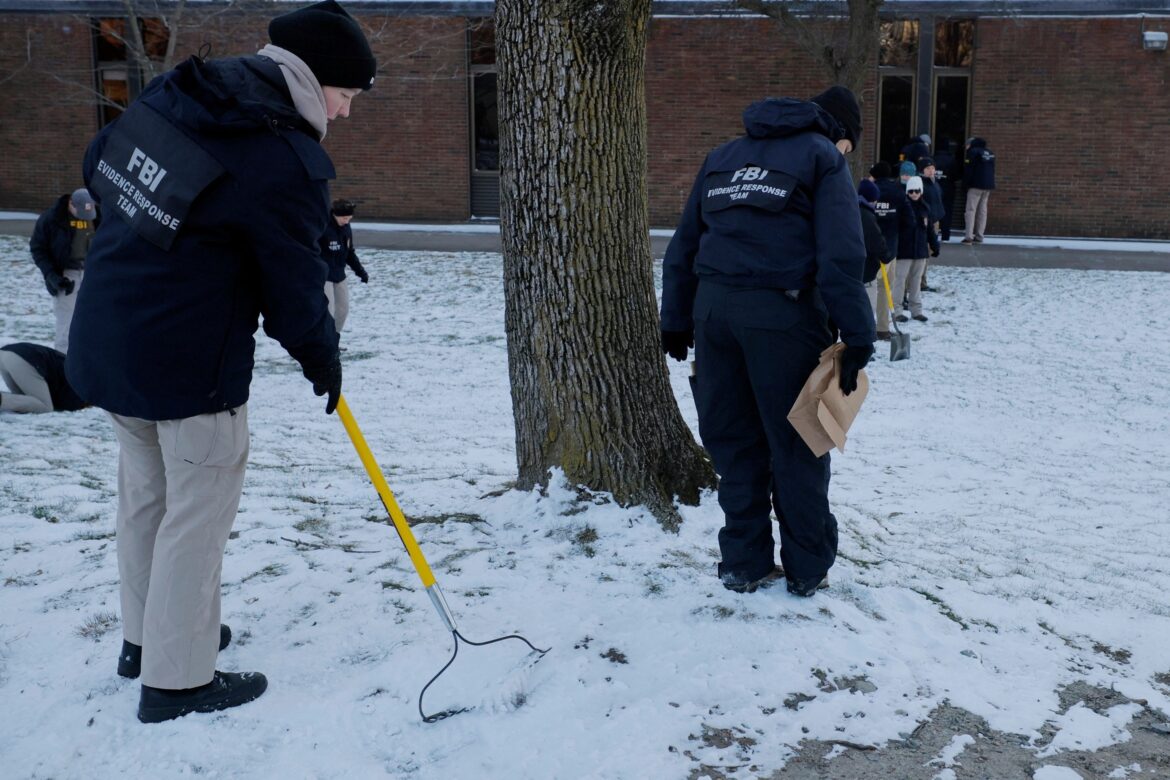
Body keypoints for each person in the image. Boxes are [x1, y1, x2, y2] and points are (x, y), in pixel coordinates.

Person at [66, 0, 375, 723]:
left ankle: (149, 641)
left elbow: (98, 164)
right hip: (188, 369)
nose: (348, 113)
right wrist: (323, 359)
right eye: (347, 96)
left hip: (109, 340)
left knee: (146, 499)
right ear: (317, 79)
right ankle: (176, 682)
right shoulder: (279, 155)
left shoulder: (185, 92)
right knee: (195, 519)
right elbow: (295, 290)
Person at [660, 86, 875, 598]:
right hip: (783, 314)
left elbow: (685, 242)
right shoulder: (823, 158)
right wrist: (859, 334)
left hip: (713, 313)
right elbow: (842, 254)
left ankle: (743, 561)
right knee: (799, 440)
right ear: (839, 133)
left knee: (733, 442)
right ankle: (805, 567)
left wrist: (676, 317)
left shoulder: (724, 156)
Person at [30, 188, 98, 353]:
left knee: (94, 321)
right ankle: (62, 364)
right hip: (67, 275)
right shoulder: (52, 219)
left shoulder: (100, 216)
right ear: (71, 204)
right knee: (66, 325)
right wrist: (51, 275)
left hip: (93, 273)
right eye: (80, 213)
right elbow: (38, 248)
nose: (85, 218)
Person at [869, 162, 907, 341]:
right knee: (885, 288)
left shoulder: (870, 190)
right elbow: (907, 219)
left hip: (871, 249)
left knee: (870, 289)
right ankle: (882, 328)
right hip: (890, 249)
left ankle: (870, 329)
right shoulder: (898, 191)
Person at [319, 198, 369, 335]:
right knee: (328, 309)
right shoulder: (323, 227)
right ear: (335, 215)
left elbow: (349, 253)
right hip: (324, 276)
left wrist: (361, 272)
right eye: (344, 218)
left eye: (349, 218)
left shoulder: (346, 228)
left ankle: (334, 338)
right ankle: (324, 340)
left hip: (340, 274)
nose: (346, 221)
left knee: (343, 308)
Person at [0, 343, 87, 413]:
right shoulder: (81, 388)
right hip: (25, 359)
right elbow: (67, 404)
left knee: (24, 401)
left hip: (6, 354)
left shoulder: (77, 371)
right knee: (45, 406)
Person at [858, 179, 894, 341]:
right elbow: (875, 240)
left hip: (854, 267)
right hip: (866, 270)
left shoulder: (851, 208)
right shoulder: (865, 214)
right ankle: (864, 341)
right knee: (866, 309)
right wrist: (886, 255)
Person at [893, 176, 931, 323]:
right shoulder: (902, 207)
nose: (914, 194)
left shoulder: (925, 208)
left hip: (920, 251)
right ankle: (897, 310)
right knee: (900, 281)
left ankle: (916, 310)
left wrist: (934, 245)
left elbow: (929, 231)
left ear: (921, 191)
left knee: (916, 282)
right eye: (911, 191)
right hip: (904, 251)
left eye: (916, 191)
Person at [917, 156, 945, 291]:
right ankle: (919, 282)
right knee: (924, 253)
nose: (931, 171)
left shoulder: (935, 183)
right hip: (926, 221)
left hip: (935, 220)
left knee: (928, 253)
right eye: (928, 168)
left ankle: (922, 281)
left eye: (933, 168)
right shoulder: (920, 184)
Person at [962, 137, 996, 244]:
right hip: (988, 186)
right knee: (982, 211)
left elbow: (968, 170)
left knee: (970, 211)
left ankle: (968, 236)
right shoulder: (989, 152)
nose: (966, 148)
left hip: (975, 186)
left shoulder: (972, 152)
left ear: (971, 144)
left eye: (967, 145)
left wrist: (965, 184)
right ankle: (980, 236)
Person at [933, 138, 960, 241]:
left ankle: (934, 234)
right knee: (947, 211)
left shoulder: (933, 158)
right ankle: (945, 235)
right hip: (948, 188)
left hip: (935, 187)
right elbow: (956, 175)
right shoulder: (952, 160)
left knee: (934, 211)